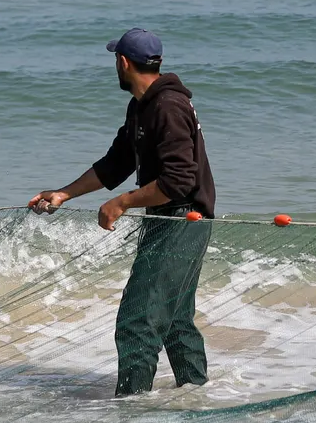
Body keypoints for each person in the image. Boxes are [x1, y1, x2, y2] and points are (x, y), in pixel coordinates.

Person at [28, 28, 217, 396]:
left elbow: (179, 180)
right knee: (175, 320)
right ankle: (195, 399)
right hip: (171, 220)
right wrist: (64, 193)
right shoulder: (142, 105)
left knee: (136, 323)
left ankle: (131, 414)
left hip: (183, 220)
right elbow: (116, 163)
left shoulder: (167, 107)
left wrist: (121, 203)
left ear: (123, 62)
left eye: (115, 60)